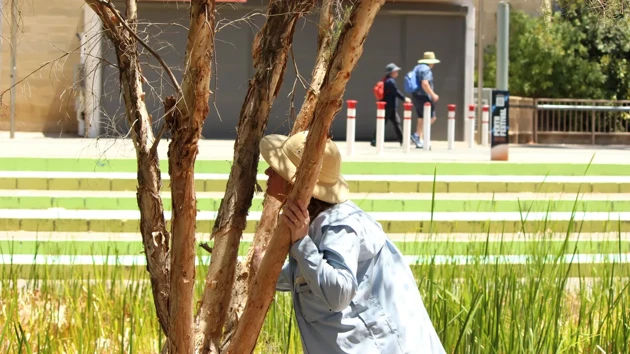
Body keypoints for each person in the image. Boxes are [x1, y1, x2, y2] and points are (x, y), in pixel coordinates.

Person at [254, 131, 446, 354]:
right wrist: (269, 273)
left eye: (277, 169)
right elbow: (308, 278)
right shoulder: (313, 223)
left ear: (293, 184)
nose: (268, 171)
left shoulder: (340, 226)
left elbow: (338, 293)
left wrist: (301, 244)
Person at [371, 63, 411, 147]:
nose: (397, 72)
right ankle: (375, 140)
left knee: (396, 122)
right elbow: (395, 92)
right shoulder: (390, 81)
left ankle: (402, 141)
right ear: (391, 72)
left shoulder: (386, 80)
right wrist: (404, 99)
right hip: (388, 106)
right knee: (383, 122)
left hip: (390, 106)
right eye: (395, 71)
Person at [410, 52, 440, 149]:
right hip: (424, 97)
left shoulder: (417, 67)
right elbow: (425, 83)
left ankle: (419, 139)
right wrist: (433, 94)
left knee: (421, 118)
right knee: (431, 117)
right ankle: (417, 135)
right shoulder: (426, 69)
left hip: (415, 95)